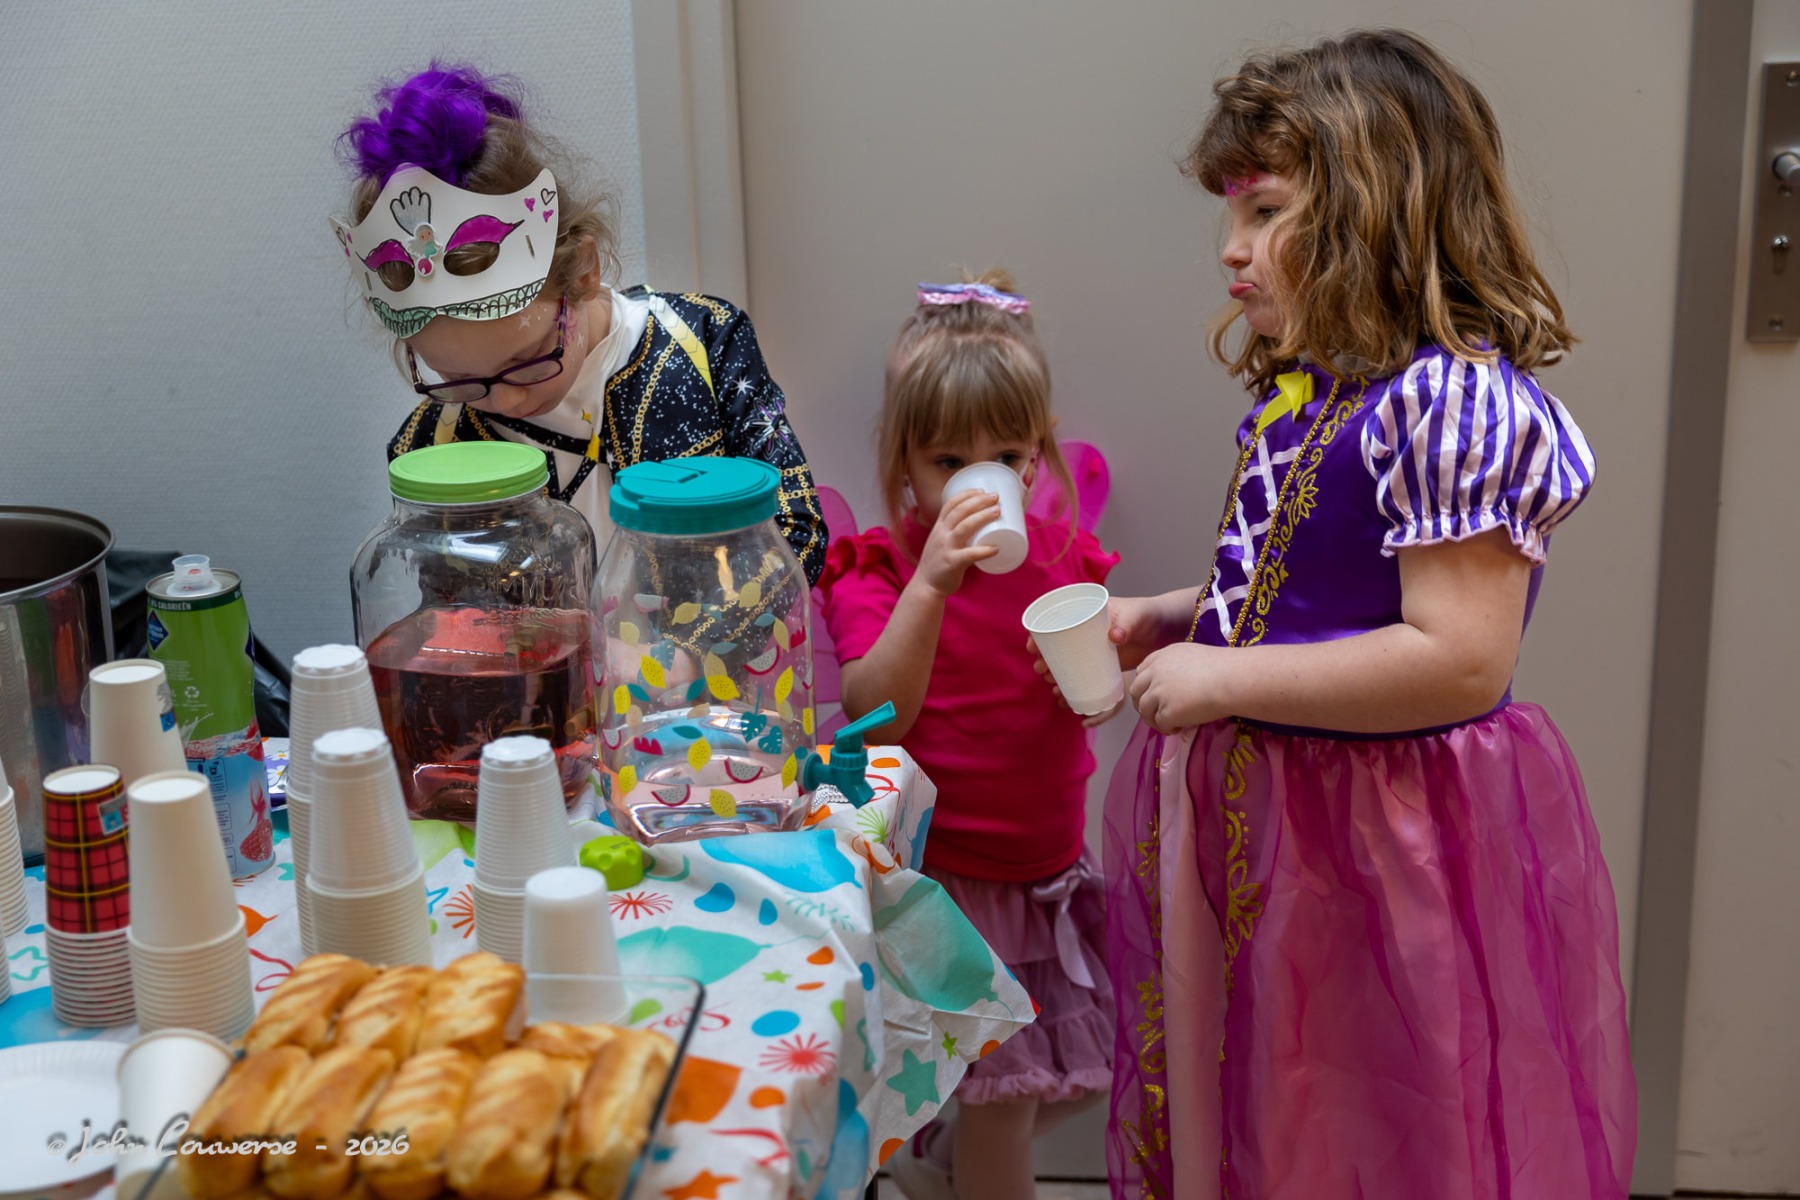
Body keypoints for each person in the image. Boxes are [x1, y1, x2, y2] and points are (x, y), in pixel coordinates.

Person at [1070, 30, 1637, 1199]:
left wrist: (1223, 680)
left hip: (1380, 846)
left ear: (1373, 214)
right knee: (1269, 1099)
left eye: (1264, 211)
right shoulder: (1323, 391)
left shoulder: (1450, 406)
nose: (1231, 249)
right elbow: (1315, 588)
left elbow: (1458, 660)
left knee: (1370, 1111)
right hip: (1280, 828)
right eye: (1230, 214)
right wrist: (1174, 616)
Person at [817, 274, 1119, 1200]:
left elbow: (1087, 688)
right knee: (1003, 1107)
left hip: (1051, 873)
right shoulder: (881, 571)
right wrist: (932, 585)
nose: (977, 481)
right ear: (902, 460)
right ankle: (958, 1163)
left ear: (1035, 459)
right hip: (951, 886)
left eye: (1005, 456)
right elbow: (877, 710)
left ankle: (937, 1162)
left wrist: (1102, 682)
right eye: (949, 461)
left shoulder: (1065, 560)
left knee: (1077, 1071)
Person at [333, 63, 825, 581]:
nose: (507, 401)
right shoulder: (433, 442)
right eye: (459, 379)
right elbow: (450, 603)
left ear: (584, 272)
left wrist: (692, 627)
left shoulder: (703, 342)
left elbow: (797, 530)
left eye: (526, 362)